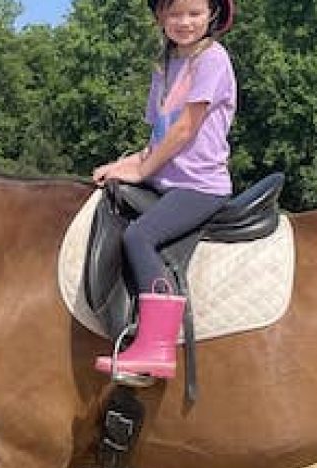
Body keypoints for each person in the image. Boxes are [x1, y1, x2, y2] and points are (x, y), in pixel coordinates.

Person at [92, 0, 237, 382]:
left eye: (194, 13)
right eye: (175, 14)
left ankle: (157, 345)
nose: (184, 22)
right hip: (165, 178)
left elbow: (185, 129)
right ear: (160, 18)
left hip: (200, 184)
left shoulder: (212, 60)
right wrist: (125, 166)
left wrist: (142, 170)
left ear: (212, 15)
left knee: (140, 237)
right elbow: (158, 136)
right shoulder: (165, 65)